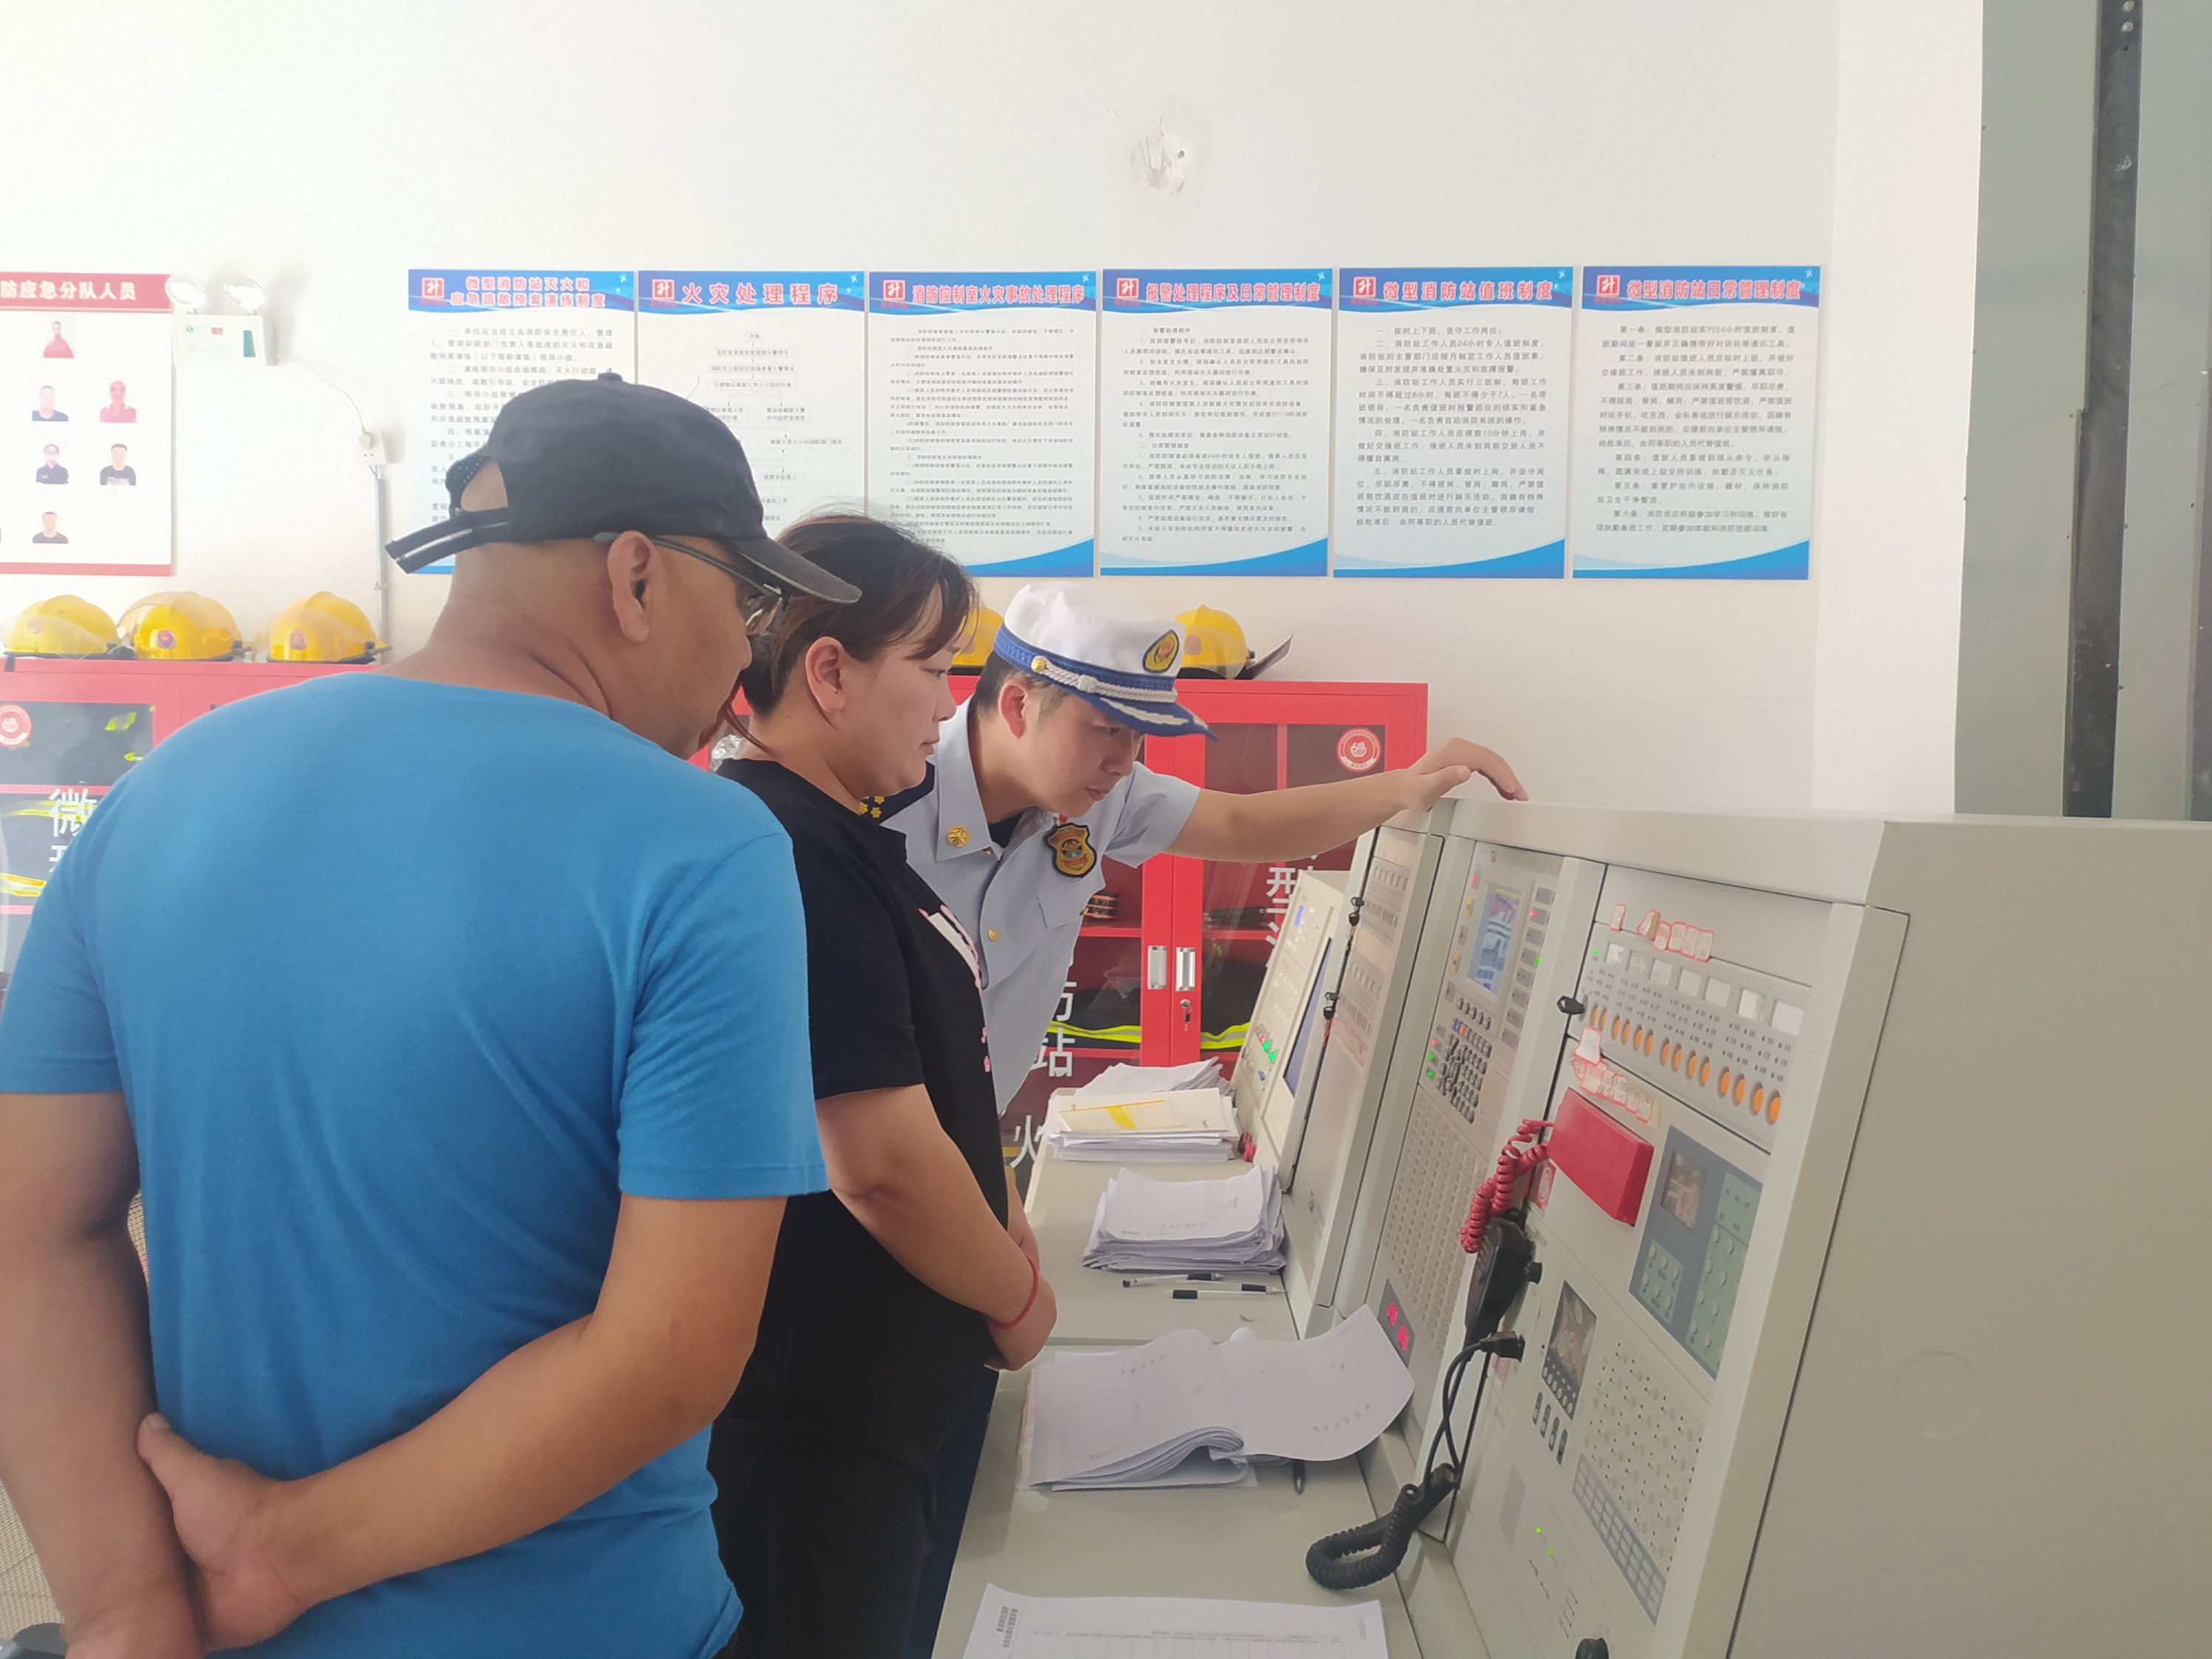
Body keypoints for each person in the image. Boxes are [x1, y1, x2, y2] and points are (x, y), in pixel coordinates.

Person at [0, 376, 860, 1659]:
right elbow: (673, 1349)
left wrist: (127, 1609)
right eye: (745, 601)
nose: (748, 656)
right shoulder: (703, 846)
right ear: (634, 576)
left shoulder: (158, 795)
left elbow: (31, 1232)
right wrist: (285, 1546)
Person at [888, 580, 1527, 1655]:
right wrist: (1007, 1277)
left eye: (1138, 737)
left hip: (968, 1155)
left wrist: (1409, 786)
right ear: (1019, 703)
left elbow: (1243, 823)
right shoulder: (885, 805)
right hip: (877, 1179)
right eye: (1106, 730)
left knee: (953, 1478)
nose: (1123, 761)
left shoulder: (1092, 797)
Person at [706, 515, 1057, 1659]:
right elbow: (880, 1162)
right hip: (822, 1436)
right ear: (830, 672)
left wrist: (1003, 1218)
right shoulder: (788, 848)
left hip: (878, 1414)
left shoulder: (836, 836)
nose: (947, 706)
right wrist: (1014, 1295)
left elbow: (943, 1074)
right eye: (933, 667)